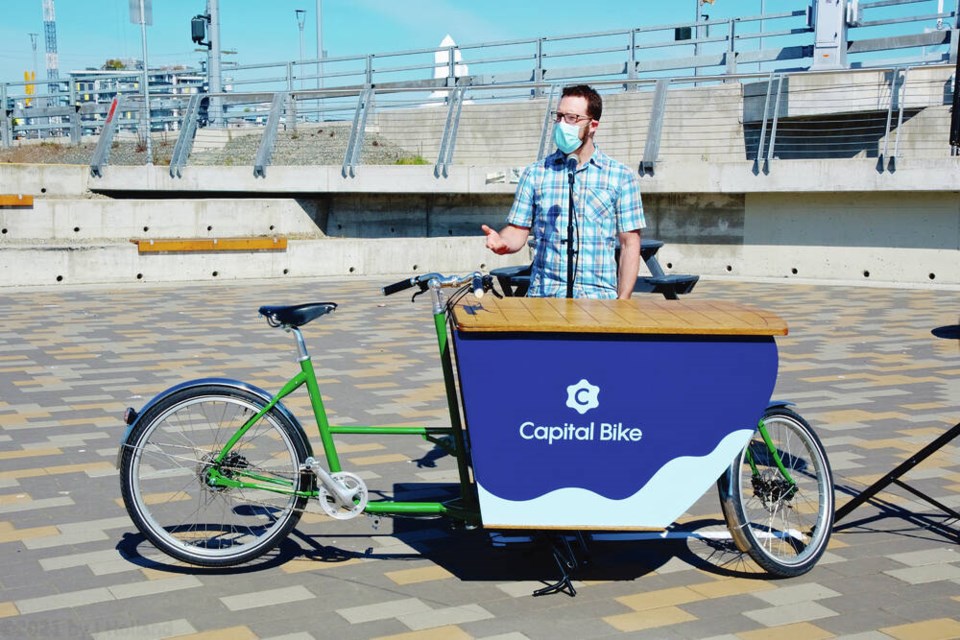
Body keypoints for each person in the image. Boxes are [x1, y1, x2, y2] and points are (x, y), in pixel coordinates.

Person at [482, 84, 645, 299]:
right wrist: (504, 243)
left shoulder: (620, 176)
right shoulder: (536, 173)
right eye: (558, 116)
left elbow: (629, 243)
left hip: (598, 300)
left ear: (592, 124)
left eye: (571, 118)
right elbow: (517, 231)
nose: (561, 124)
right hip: (546, 296)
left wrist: (623, 302)